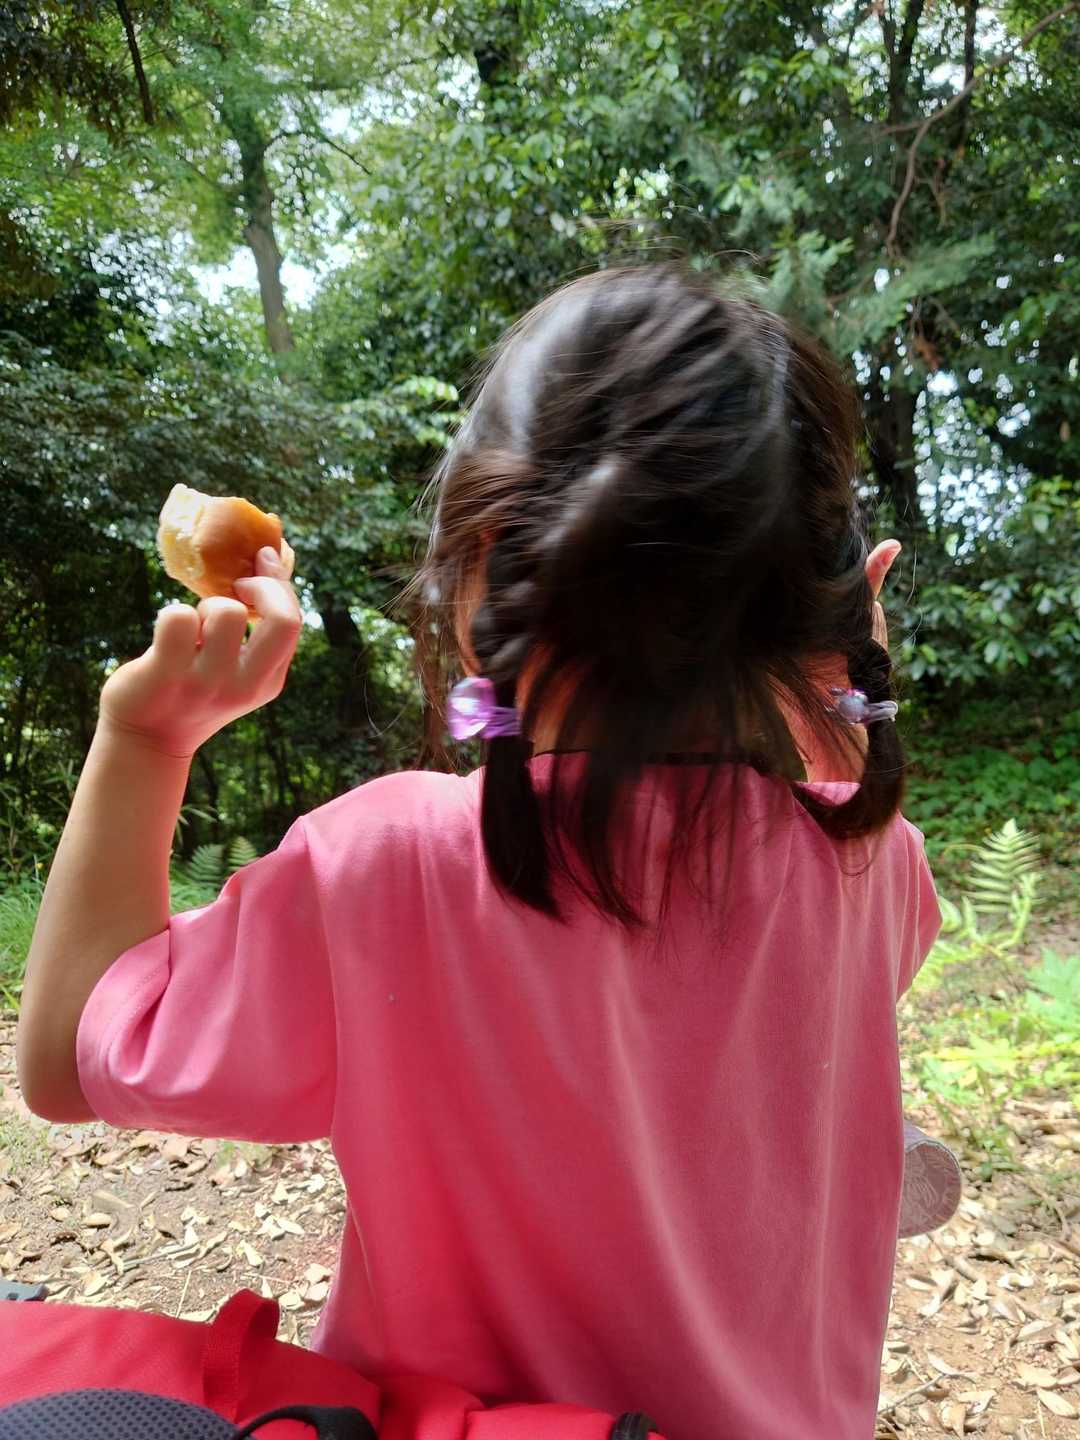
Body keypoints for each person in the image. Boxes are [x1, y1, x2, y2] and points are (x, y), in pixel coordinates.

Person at [18, 266, 941, 1440]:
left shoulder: (385, 871)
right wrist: (844, 677)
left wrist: (148, 737)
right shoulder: (879, 870)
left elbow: (67, 1060)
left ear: (487, 574)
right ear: (837, 604)